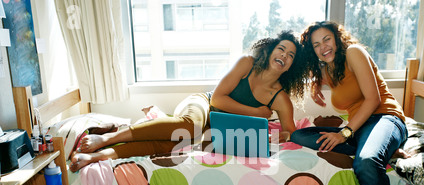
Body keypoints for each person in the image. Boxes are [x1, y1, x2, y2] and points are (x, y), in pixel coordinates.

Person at [69, 30, 307, 172]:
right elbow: (218, 99)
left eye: (290, 56)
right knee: (188, 127)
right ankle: (109, 137)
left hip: (218, 128)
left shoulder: (280, 98)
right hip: (204, 104)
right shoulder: (247, 63)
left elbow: (289, 132)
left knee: (175, 144)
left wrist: (276, 135)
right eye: (281, 49)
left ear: (291, 66)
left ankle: (98, 156)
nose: (284, 56)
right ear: (271, 50)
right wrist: (256, 113)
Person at [290, 21, 409, 185]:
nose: (323, 47)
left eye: (327, 39)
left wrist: (344, 134)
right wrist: (314, 85)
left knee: (366, 163)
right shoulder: (327, 67)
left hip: (385, 119)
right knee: (299, 136)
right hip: (360, 128)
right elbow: (312, 74)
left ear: (338, 38)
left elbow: (373, 99)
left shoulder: (354, 52)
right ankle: (382, 149)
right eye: (316, 45)